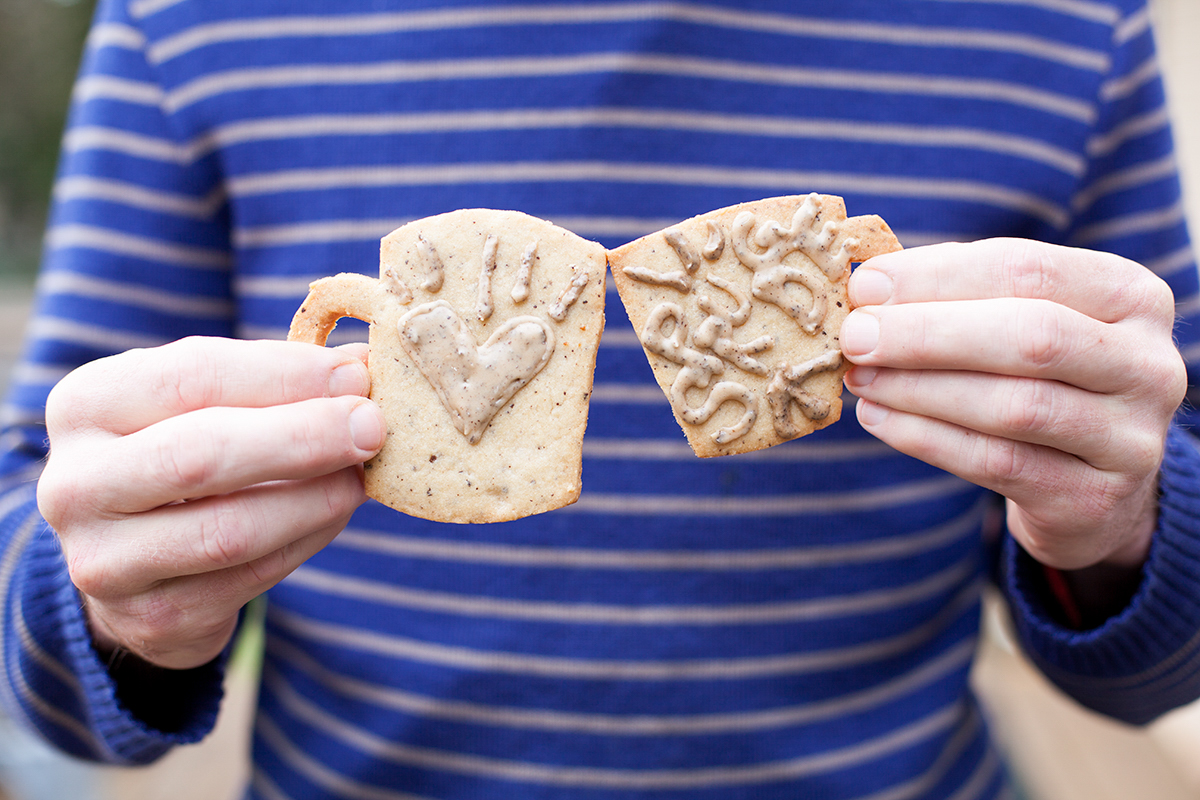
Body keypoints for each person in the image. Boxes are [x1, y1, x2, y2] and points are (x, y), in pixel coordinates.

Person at [2, 0, 1198, 797]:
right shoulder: (190, 18)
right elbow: (32, 539)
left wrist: (1124, 523)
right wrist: (116, 598)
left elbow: (1172, 636)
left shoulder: (1067, 25)